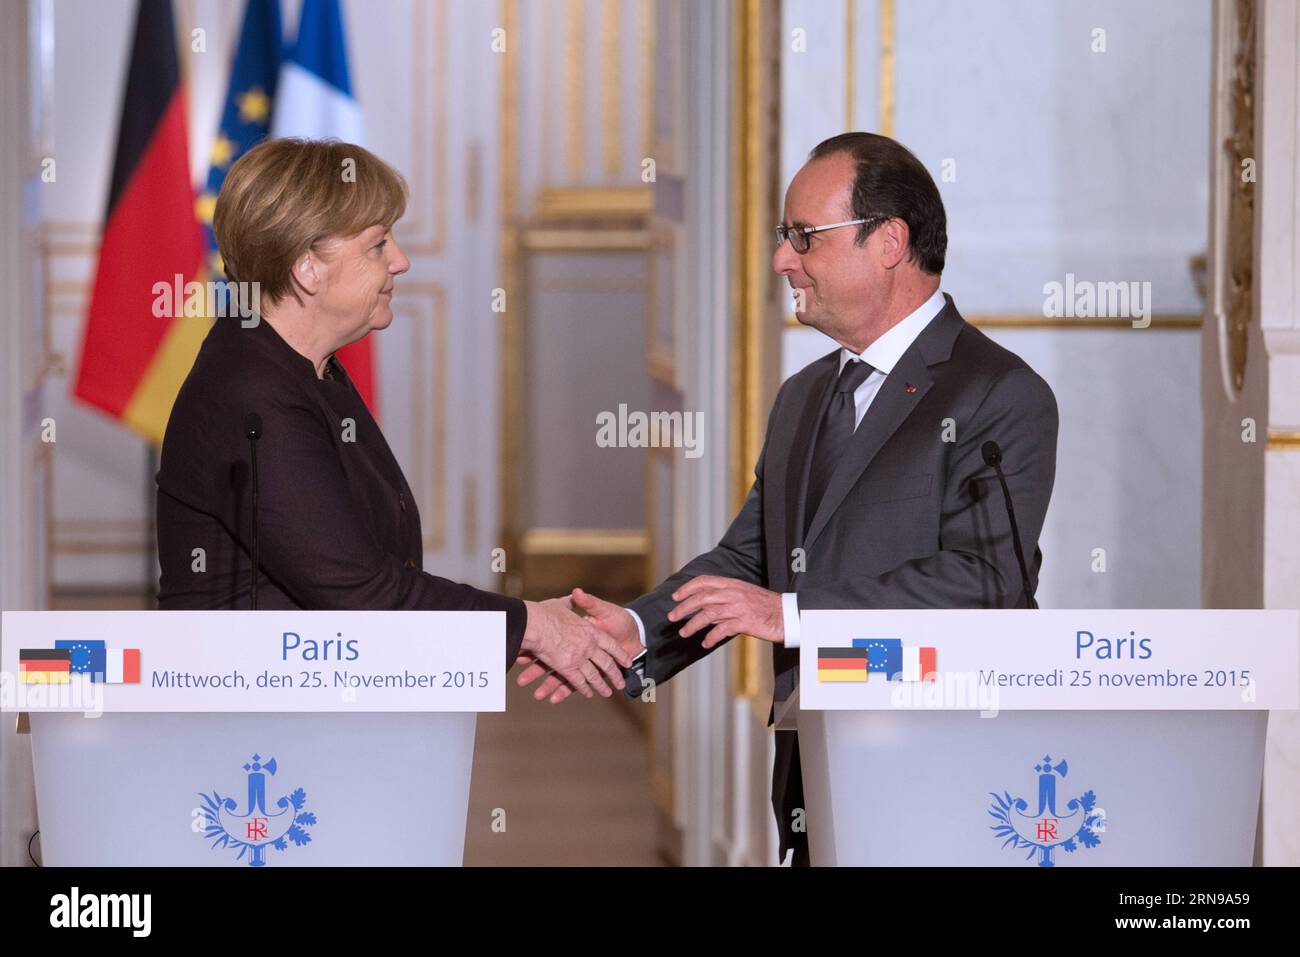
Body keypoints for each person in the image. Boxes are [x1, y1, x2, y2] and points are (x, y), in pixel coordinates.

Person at [518, 132, 1060, 864]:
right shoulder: (806, 394)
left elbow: (989, 581)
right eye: (785, 236)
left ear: (890, 241)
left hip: (941, 766)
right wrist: (638, 633)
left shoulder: (1000, 393)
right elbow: (750, 556)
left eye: (804, 236)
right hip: (814, 763)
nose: (782, 259)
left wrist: (793, 615)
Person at [155, 137, 633, 698]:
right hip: (257, 734)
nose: (400, 260)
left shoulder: (303, 367)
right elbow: (362, 594)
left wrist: (528, 623)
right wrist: (529, 625)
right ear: (308, 267)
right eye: (378, 244)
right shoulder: (254, 394)